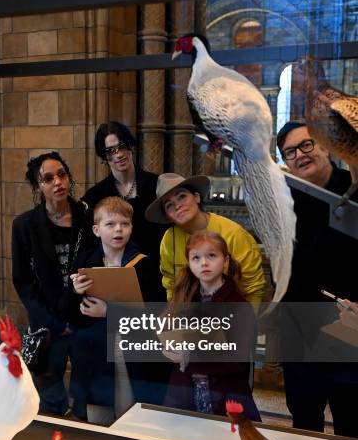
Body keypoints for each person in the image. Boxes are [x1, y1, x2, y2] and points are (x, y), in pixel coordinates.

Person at [277, 120, 358, 437]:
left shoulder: (353, 187)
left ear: (325, 146)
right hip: (301, 330)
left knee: (350, 425)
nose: (299, 155)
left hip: (348, 329)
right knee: (304, 423)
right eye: (290, 152)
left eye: (306, 144)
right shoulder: (284, 200)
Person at [11, 151, 96, 420]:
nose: (57, 181)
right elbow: (23, 281)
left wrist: (77, 318)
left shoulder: (88, 218)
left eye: (61, 174)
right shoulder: (24, 225)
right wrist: (53, 323)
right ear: (39, 187)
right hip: (48, 325)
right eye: (48, 178)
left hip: (84, 321)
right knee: (49, 400)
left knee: (86, 399)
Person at [71, 197, 172, 408]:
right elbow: (72, 312)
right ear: (96, 230)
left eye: (124, 224)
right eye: (111, 224)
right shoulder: (85, 261)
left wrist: (109, 311)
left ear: (131, 228)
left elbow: (156, 313)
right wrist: (75, 291)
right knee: (99, 412)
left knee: (129, 407)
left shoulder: (144, 265)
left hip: (132, 350)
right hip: (96, 351)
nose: (119, 230)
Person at [164, 231, 260, 420]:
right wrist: (170, 350)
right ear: (189, 264)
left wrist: (191, 356)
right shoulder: (184, 299)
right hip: (185, 390)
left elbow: (238, 361)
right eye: (196, 258)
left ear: (225, 260)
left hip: (224, 392)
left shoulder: (238, 305)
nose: (204, 263)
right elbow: (170, 337)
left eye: (212, 256)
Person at [145, 173, 266, 306]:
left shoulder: (234, 234)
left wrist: (246, 323)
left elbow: (253, 288)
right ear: (167, 216)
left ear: (197, 197)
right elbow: (171, 284)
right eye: (169, 205)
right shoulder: (169, 239)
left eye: (182, 196)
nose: (178, 206)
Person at [82, 121, 167, 272]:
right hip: (115, 274)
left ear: (130, 145)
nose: (119, 154)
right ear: (104, 156)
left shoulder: (157, 185)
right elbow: (90, 243)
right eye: (110, 151)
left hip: (156, 271)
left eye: (122, 146)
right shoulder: (95, 196)